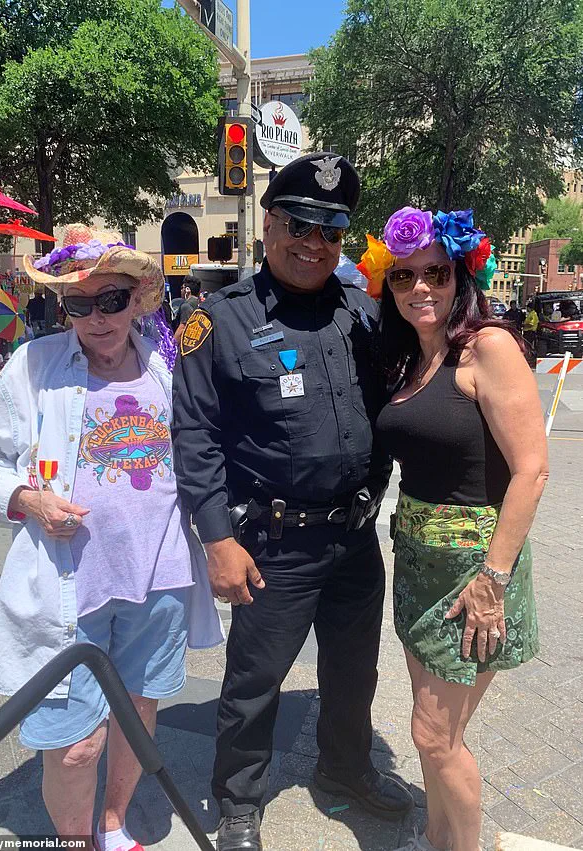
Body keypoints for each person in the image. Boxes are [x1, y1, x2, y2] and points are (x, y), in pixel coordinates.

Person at [0, 224, 223, 848]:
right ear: (64, 307)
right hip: (71, 590)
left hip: (161, 581)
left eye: (112, 300)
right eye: (79, 303)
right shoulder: (35, 366)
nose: (98, 318)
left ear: (137, 299)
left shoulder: (167, 366)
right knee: (75, 747)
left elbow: (206, 451)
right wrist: (28, 500)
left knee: (138, 713)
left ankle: (114, 821)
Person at [173, 153, 413, 851]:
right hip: (273, 544)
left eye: (330, 232)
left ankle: (345, 768)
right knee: (256, 680)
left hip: (354, 536)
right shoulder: (218, 321)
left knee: (354, 670)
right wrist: (217, 539)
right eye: (299, 226)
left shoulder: (363, 314)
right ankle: (238, 800)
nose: (314, 244)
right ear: (269, 226)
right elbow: (195, 434)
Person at [357, 207, 547, 851]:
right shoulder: (411, 358)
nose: (420, 287)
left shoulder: (487, 347)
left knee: (434, 737)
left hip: (474, 573)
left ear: (461, 274)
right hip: (417, 563)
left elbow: (532, 470)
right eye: (403, 275)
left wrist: (493, 581)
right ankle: (436, 839)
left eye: (436, 272)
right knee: (435, 734)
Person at [174, 275, 201, 342]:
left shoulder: (186, 306)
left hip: (185, 343)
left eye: (182, 288)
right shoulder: (199, 304)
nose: (181, 290)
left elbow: (182, 328)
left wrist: (172, 344)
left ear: (187, 290)